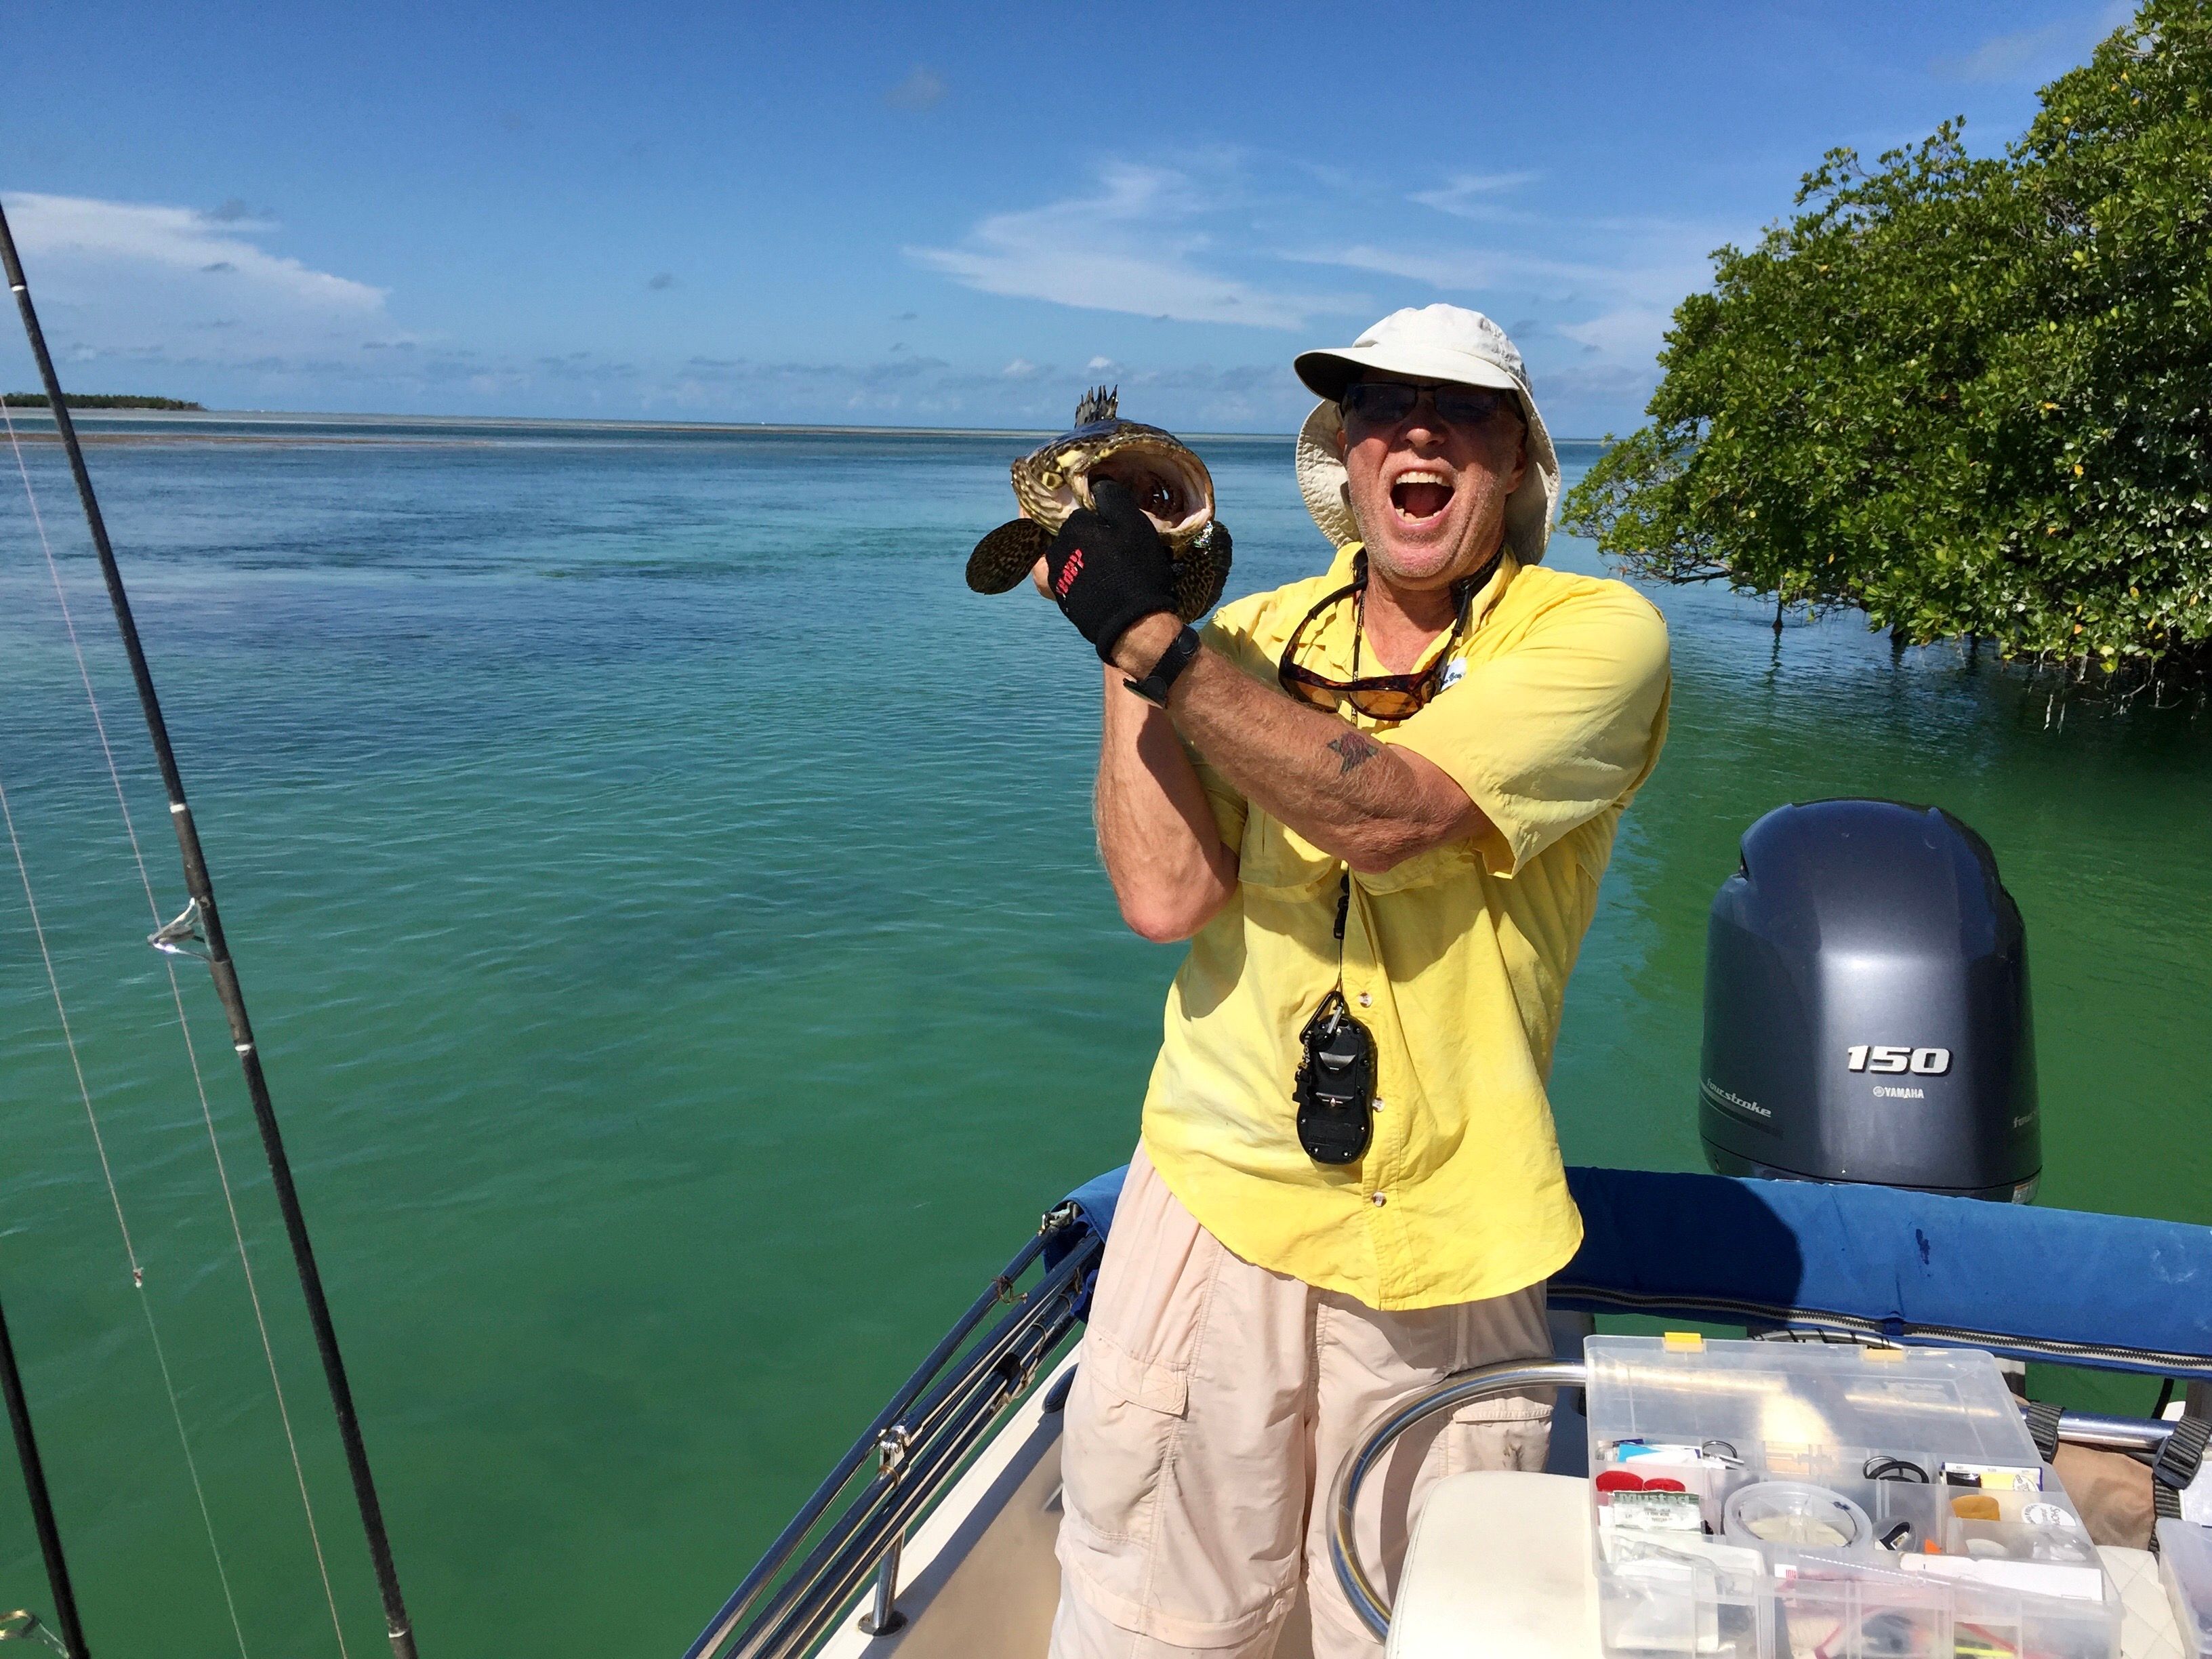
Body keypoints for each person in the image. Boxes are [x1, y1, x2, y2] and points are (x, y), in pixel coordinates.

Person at [1036, 304, 1672, 1658]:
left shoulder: (1595, 639)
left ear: (1516, 459)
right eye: (1380, 406)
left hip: (1450, 1240)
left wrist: (1160, 646)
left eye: (1465, 411)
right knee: (1162, 1621)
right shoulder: (1246, 637)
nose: (1419, 431)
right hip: (1213, 1212)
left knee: (1423, 1628)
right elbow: (1165, 898)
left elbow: (1390, 814)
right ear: (1348, 455)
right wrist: (1125, 637)